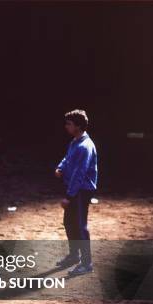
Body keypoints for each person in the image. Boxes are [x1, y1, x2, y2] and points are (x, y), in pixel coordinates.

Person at [55, 109, 98, 276]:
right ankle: (74, 256)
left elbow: (79, 175)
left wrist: (69, 196)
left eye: (69, 124)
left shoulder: (85, 146)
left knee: (80, 226)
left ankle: (87, 264)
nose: (66, 126)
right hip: (74, 189)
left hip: (81, 191)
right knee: (69, 223)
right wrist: (61, 166)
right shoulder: (75, 141)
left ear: (78, 126)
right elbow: (67, 158)